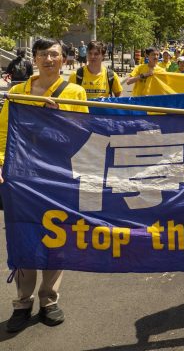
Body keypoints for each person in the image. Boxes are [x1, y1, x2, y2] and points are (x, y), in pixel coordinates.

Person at [0, 38, 88, 333]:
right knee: (24, 235)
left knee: (56, 238)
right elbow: (3, 133)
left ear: (64, 59)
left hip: (59, 177)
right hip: (22, 177)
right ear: (34, 59)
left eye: (54, 54)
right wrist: (1, 163)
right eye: (43, 54)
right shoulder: (18, 92)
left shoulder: (76, 92)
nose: (49, 59)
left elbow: (83, 135)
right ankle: (22, 302)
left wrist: (60, 116)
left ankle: (49, 299)